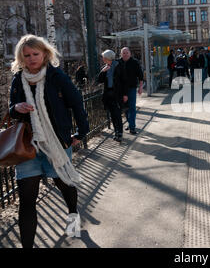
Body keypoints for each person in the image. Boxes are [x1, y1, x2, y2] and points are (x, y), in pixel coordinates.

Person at [9, 34, 89, 248]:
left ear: (45, 53)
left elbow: (77, 105)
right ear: (21, 57)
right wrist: (16, 108)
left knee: (65, 186)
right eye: (27, 55)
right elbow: (11, 108)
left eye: (36, 53)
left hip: (56, 143)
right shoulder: (18, 79)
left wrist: (81, 133)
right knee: (27, 200)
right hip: (28, 147)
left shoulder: (57, 77)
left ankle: (73, 213)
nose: (32, 58)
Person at [98, 50, 127, 142]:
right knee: (112, 115)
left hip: (117, 94)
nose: (103, 59)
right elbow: (99, 80)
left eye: (103, 57)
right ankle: (116, 131)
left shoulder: (119, 66)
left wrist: (125, 94)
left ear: (108, 58)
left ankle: (120, 133)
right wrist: (102, 71)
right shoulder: (105, 67)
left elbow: (124, 81)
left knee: (117, 114)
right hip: (108, 94)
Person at [119, 47, 144, 135]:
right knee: (125, 108)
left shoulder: (135, 62)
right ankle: (130, 123)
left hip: (132, 88)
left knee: (132, 107)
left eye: (127, 53)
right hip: (121, 90)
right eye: (123, 53)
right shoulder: (119, 62)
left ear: (130, 53)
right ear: (121, 54)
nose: (125, 54)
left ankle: (132, 127)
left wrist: (140, 87)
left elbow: (140, 76)